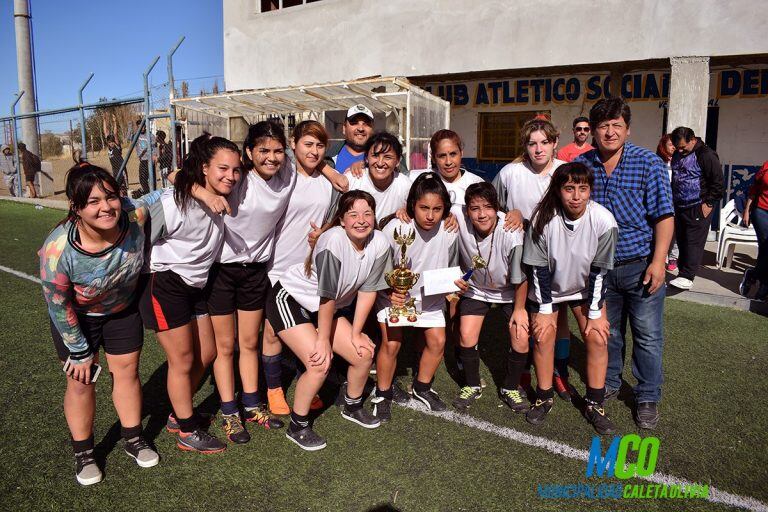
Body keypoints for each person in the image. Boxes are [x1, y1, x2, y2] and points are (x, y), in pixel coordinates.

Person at [39, 163, 162, 485]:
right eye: (92, 201)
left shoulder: (133, 214)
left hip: (122, 312)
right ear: (75, 207)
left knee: (126, 373)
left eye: (110, 197)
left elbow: (164, 194)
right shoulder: (57, 251)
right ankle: (84, 453)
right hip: (77, 320)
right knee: (81, 382)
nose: (105, 207)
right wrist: (79, 351)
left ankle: (133, 438)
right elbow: (57, 304)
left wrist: (192, 185)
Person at [191, 121, 296, 443]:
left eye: (278, 150)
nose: (272, 157)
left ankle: (252, 404)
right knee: (226, 347)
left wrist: (335, 173)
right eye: (263, 150)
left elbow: (315, 164)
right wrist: (203, 194)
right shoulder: (237, 176)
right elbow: (177, 178)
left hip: (255, 273)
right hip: (223, 271)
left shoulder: (288, 174)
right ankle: (229, 412)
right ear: (250, 152)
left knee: (249, 343)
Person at [575, 98, 674, 430]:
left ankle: (646, 396)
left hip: (640, 266)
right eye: (603, 125)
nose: (610, 131)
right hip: (599, 271)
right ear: (593, 131)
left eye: (616, 125)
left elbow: (664, 217)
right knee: (609, 334)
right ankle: (610, 383)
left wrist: (658, 262)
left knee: (647, 336)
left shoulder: (649, 164)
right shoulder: (582, 165)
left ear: (627, 129)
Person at [265, 190, 391, 451]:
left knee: (364, 352)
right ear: (342, 220)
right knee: (320, 363)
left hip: (325, 307)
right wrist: (323, 340)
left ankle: (352, 405)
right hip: (291, 300)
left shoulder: (380, 242)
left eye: (367, 213)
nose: (361, 220)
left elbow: (368, 291)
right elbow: (327, 297)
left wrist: (356, 333)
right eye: (353, 214)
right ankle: (297, 426)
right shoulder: (332, 240)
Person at [139, 134, 241, 453]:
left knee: (207, 354)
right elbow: (139, 243)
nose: (231, 176)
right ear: (204, 168)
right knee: (182, 360)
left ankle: (177, 414)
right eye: (223, 169)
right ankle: (186, 430)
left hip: (195, 285)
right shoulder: (170, 204)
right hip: (164, 282)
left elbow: (180, 175)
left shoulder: (221, 197)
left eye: (236, 170)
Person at [523, 162, 618, 435]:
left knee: (598, 336)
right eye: (569, 189)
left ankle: (594, 403)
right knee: (542, 334)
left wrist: (596, 313)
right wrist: (543, 309)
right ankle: (544, 395)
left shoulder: (604, 221)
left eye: (583, 189)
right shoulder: (542, 218)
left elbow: (600, 271)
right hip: (547, 289)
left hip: (584, 289)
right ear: (558, 190)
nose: (576, 196)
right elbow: (538, 269)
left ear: (590, 191)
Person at [263, 121, 341, 416]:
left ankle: (303, 381)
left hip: (306, 269)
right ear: (292, 144)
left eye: (320, 145)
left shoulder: (327, 179)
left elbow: (335, 217)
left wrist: (324, 231)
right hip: (276, 265)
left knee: (302, 325)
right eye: (308, 144)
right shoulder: (281, 173)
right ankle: (273, 389)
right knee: (272, 331)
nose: (314, 151)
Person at [492, 118, 572, 401]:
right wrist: (509, 213)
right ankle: (523, 367)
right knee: (523, 312)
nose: (538, 149)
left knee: (557, 317)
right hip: (521, 256)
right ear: (525, 146)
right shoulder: (511, 172)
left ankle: (558, 373)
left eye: (544, 143)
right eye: (532, 143)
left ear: (554, 144)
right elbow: (494, 204)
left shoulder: (564, 172)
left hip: (556, 255)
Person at [371, 173, 460, 420]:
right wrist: (388, 292)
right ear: (412, 206)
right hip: (394, 297)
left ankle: (422, 387)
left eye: (437, 209)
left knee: (437, 342)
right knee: (392, 343)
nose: (430, 215)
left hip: (429, 298)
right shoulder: (395, 228)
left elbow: (451, 267)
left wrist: (455, 286)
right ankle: (383, 392)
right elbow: (376, 267)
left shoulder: (450, 228)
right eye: (423, 208)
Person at [449, 182, 529, 413]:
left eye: (487, 207)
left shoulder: (511, 232)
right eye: (474, 208)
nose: (481, 214)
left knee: (521, 335)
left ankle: (510, 387)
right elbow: (434, 202)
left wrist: (520, 309)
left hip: (509, 291)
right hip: (476, 289)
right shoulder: (458, 214)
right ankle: (472, 384)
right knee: (465, 334)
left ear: (496, 208)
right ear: (466, 210)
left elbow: (521, 278)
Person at [668, 126, 724, 290]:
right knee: (682, 239)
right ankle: (682, 272)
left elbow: (718, 182)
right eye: (677, 147)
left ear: (693, 140)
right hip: (680, 205)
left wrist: (709, 204)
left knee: (693, 241)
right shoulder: (679, 153)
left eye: (683, 147)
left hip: (699, 205)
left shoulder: (706, 155)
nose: (680, 150)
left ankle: (687, 276)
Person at [346, 132, 413, 220]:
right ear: (366, 158)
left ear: (397, 161)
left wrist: (408, 211)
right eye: (375, 156)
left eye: (387, 157)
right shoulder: (352, 180)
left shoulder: (405, 185)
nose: (380, 163)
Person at [326, 104, 408, 176]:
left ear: (372, 129)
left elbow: (403, 176)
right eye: (354, 123)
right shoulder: (328, 156)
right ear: (344, 128)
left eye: (366, 124)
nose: (361, 128)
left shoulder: (391, 152)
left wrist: (369, 165)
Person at [410, 129, 484, 206]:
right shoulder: (418, 180)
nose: (448, 162)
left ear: (461, 154)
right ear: (433, 158)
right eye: (442, 156)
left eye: (453, 154)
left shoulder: (476, 184)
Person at [741, 161, 768, 301]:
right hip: (762, 211)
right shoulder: (766, 166)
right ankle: (764, 287)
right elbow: (754, 189)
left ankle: (753, 275)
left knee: (765, 250)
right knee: (766, 247)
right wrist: (746, 210)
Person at [656, 135, 679, 271]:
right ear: (663, 145)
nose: (673, 147)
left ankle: (673, 257)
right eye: (671, 144)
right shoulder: (658, 162)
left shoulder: (681, 162)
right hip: (662, 200)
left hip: (676, 201)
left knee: (675, 230)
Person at [134, 121, 152, 195]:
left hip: (149, 160)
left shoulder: (150, 135)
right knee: (141, 178)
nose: (142, 128)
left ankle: (149, 192)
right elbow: (129, 138)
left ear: (145, 126)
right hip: (142, 160)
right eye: (139, 127)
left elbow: (154, 146)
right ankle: (146, 192)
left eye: (143, 126)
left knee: (148, 178)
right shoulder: (136, 136)